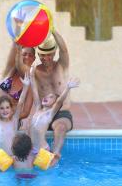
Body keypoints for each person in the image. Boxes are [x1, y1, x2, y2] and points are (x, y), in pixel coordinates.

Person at [0, 43, 35, 153]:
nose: (26, 57)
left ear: (34, 59)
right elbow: (14, 52)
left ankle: (2, 158)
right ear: (19, 55)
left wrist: (10, 116)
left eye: (29, 55)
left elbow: (26, 111)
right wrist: (17, 41)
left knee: (11, 135)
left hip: (10, 115)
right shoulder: (9, 70)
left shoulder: (30, 82)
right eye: (24, 54)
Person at [34, 30, 73, 164]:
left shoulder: (61, 65)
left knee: (60, 127)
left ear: (54, 53)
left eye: (49, 54)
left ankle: (55, 156)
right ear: (39, 54)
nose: (46, 58)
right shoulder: (36, 71)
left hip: (60, 113)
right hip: (43, 113)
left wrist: (52, 29)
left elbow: (64, 49)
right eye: (42, 55)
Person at [29, 65, 80, 159]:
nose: (46, 97)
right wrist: (31, 76)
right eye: (46, 96)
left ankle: (55, 156)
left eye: (51, 97)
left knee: (46, 172)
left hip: (42, 150)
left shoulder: (49, 114)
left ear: (54, 104)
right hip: (31, 150)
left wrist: (67, 88)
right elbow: (34, 91)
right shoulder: (37, 109)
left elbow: (60, 101)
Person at [0, 72, 30, 155]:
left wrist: (25, 87)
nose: (5, 110)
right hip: (0, 159)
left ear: (11, 109)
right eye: (1, 108)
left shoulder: (14, 120)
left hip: (13, 158)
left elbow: (20, 103)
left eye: (7, 107)